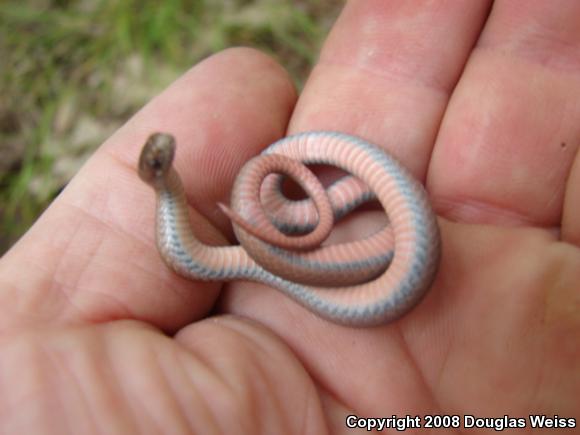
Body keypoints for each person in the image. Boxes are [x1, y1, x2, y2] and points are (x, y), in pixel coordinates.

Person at [0, 1, 578, 433]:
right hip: (310, 250)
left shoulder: (267, 195)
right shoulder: (183, 200)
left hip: (325, 222)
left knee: (352, 218)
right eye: (159, 164)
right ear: (156, 173)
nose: (164, 160)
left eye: (161, 158)